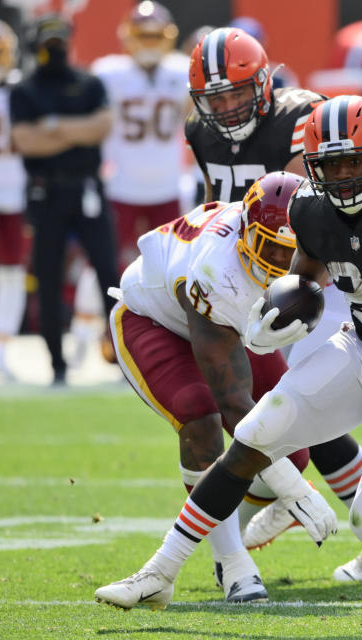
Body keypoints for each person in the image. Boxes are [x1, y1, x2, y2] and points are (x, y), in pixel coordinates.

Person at [94, 95, 362, 609]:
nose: (343, 177)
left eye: (355, 162)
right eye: (330, 165)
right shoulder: (308, 207)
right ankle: (159, 572)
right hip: (360, 347)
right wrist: (276, 318)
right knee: (253, 436)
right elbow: (306, 277)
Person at [185, 26, 362, 582]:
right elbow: (221, 206)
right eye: (214, 99)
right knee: (297, 405)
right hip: (252, 277)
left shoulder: (303, 118)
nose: (226, 109)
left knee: (303, 401)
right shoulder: (199, 132)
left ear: (265, 82)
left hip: (313, 275)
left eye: (236, 94)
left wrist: (296, 287)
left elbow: (319, 212)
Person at [105, 171, 335, 602]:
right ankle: (231, 561)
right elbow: (234, 407)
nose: (279, 262)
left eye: (292, 250)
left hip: (231, 324)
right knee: (201, 414)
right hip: (154, 320)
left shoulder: (319, 230)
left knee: (294, 447)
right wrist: (292, 488)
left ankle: (236, 526)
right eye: (269, 246)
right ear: (245, 231)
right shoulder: (217, 270)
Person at [9, 14, 117, 386]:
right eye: (47, 42)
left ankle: (123, 358)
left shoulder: (88, 83)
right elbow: (25, 140)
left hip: (87, 188)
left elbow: (101, 127)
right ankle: (56, 363)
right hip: (46, 191)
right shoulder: (24, 90)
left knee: (109, 274)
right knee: (48, 277)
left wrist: (52, 127)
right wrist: (77, 131)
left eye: (58, 41)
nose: (53, 49)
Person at [92, 1, 189, 271]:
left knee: (167, 264)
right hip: (122, 185)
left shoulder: (182, 70)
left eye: (155, 36)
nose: (148, 43)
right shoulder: (109, 73)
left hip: (167, 185)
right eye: (143, 35)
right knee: (116, 263)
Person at [185, 26, 323, 204]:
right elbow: (212, 202)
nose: (230, 107)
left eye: (238, 94)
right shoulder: (198, 127)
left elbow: (304, 208)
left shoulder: (294, 118)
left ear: (262, 83)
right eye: (217, 97)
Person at [0, 17, 26, 381]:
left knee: (12, 274)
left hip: (12, 191)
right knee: (10, 274)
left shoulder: (21, 91)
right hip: (3, 189)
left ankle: (2, 348)